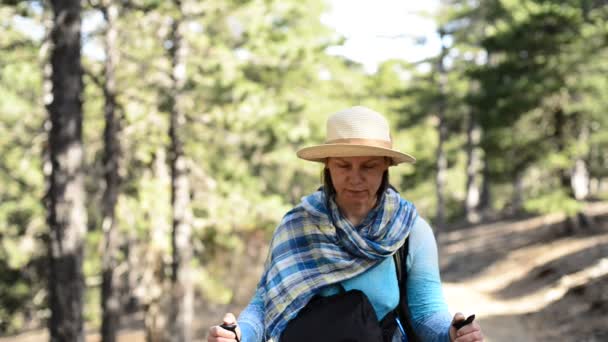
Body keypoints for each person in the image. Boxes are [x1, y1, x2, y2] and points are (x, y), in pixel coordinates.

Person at [207, 106, 484, 342]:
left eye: (368, 166)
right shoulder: (297, 226)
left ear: (387, 165)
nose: (355, 178)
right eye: (343, 165)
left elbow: (426, 313)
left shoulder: (410, 231)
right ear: (327, 165)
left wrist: (451, 333)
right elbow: (265, 305)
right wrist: (240, 334)